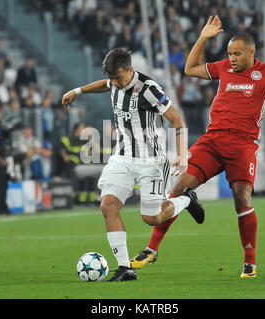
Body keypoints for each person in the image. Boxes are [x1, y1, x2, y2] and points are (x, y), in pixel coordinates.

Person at [130, 15, 265, 278]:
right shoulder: (223, 68)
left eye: (236, 54)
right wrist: (202, 38)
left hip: (243, 145)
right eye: (229, 53)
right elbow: (190, 69)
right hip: (212, 141)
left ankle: (250, 263)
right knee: (178, 187)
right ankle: (151, 249)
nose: (231, 58)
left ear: (251, 53)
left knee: (241, 198)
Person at [62, 47, 204, 282]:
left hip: (152, 161)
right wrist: (78, 91)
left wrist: (181, 154)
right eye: (111, 79)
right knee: (108, 206)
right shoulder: (115, 82)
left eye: (117, 78)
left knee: (152, 218)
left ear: (130, 70)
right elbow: (103, 85)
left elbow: (178, 120)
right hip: (122, 157)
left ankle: (186, 199)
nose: (114, 84)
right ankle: (125, 268)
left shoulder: (149, 89)